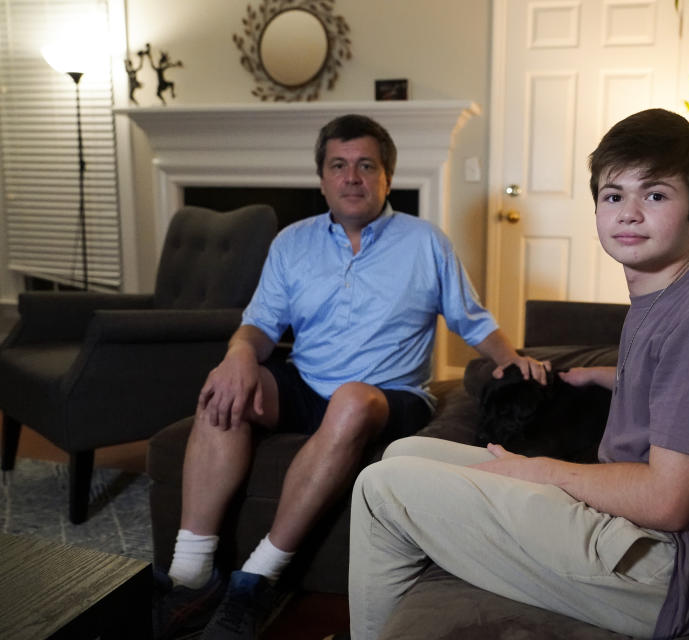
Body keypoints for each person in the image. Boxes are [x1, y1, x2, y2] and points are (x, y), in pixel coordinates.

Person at [346, 109, 689, 639]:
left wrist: (538, 470)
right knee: (404, 453)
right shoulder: (672, 296)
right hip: (635, 535)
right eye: (613, 195)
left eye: (654, 195)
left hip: (669, 568)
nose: (629, 213)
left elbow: (667, 503)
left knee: (383, 487)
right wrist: (606, 375)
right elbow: (678, 381)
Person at [152, 114, 547, 640]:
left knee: (352, 400)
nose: (352, 177)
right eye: (339, 166)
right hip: (307, 383)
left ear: (387, 177)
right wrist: (237, 357)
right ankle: (191, 572)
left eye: (366, 165)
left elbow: (473, 321)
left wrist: (513, 358)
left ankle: (258, 577)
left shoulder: (425, 242)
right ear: (323, 179)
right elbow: (259, 327)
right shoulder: (292, 242)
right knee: (226, 385)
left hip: (388, 397)